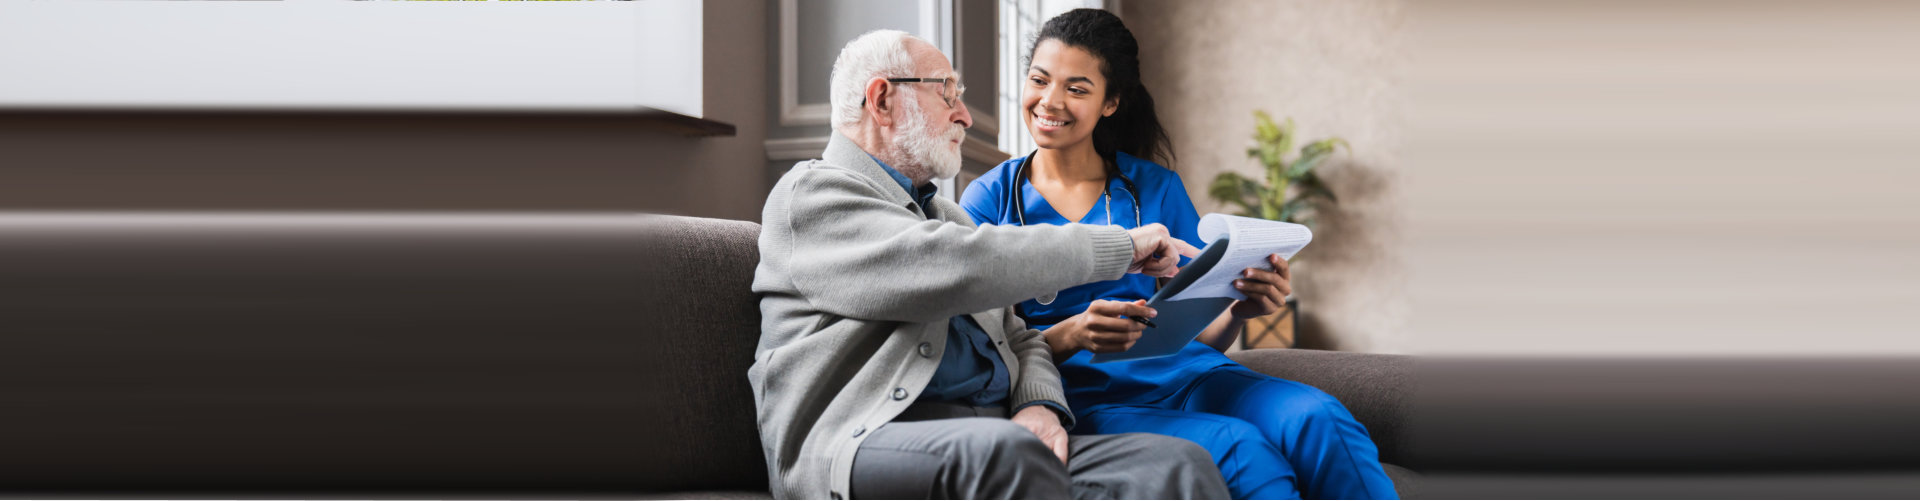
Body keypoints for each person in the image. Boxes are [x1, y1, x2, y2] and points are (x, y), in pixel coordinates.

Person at [750, 29, 1230, 500]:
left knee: (1176, 464)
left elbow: (1019, 338)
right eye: (947, 93)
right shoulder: (813, 197)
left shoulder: (947, 216)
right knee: (1008, 454)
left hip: (991, 435)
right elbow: (949, 266)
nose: (965, 116)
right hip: (858, 440)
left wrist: (1039, 402)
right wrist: (1120, 247)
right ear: (881, 100)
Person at [959, 9, 1399, 500]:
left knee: (1320, 419)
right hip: (1089, 395)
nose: (1050, 101)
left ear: (1110, 103)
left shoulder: (1154, 188)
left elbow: (1199, 335)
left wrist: (1239, 309)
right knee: (1240, 450)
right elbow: (978, 347)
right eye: (1040, 79)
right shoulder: (988, 200)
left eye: (1077, 89)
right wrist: (1072, 332)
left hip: (1190, 373)